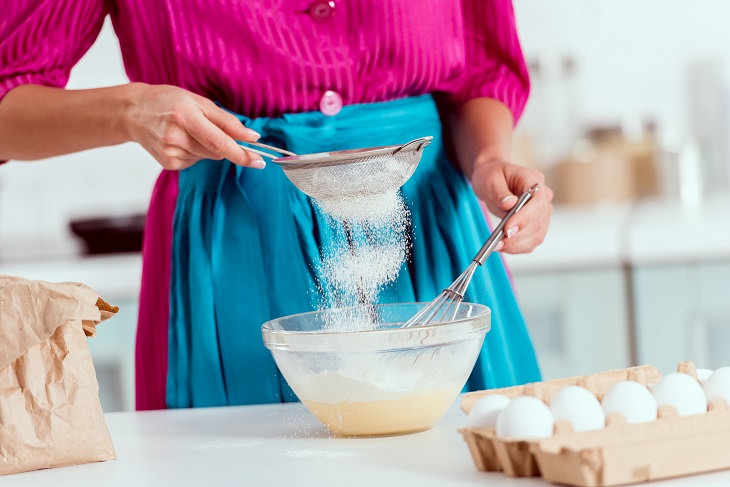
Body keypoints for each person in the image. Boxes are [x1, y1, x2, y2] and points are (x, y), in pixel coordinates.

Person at [0, 0, 553, 410]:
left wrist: (488, 161)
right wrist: (130, 109)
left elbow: (480, 71)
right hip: (231, 250)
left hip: (431, 235)